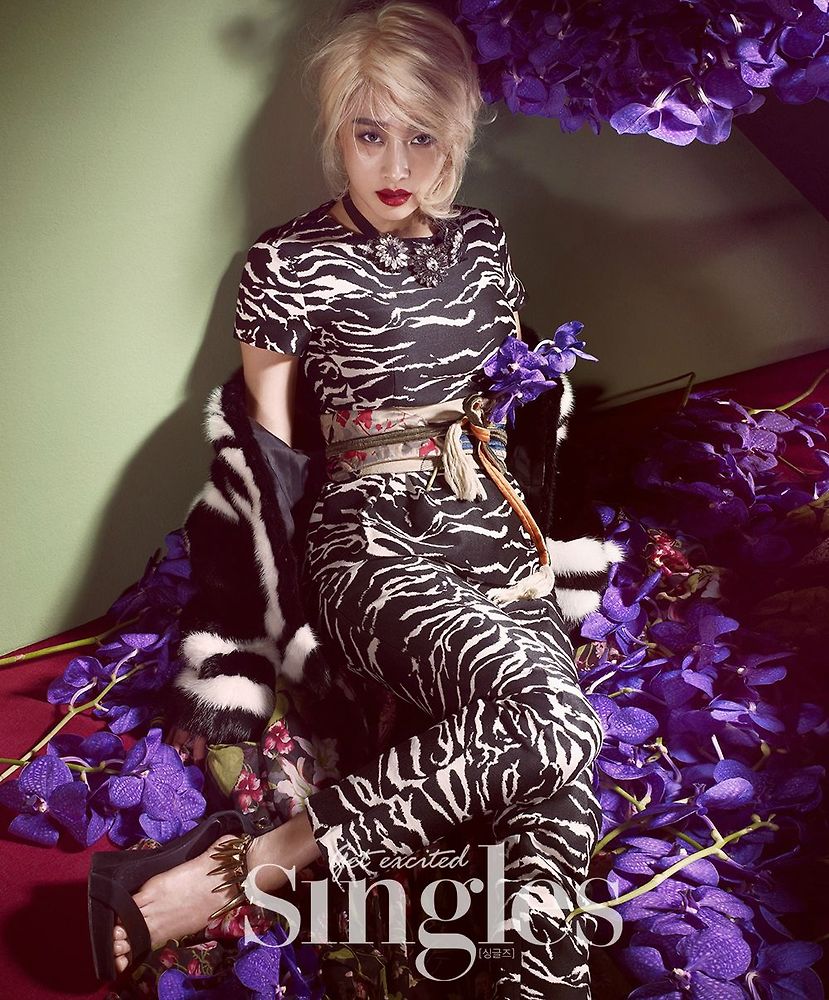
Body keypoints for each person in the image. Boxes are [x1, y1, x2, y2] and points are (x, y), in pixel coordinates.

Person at [102, 2, 605, 996]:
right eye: (370, 133)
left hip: (493, 535)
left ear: (456, 134)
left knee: (553, 772)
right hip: (372, 541)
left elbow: (508, 407)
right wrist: (271, 622)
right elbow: (269, 459)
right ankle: (246, 867)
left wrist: (540, 536)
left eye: (423, 137)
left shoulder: (483, 244)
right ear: (335, 129)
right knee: (559, 723)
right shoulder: (284, 262)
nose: (396, 166)